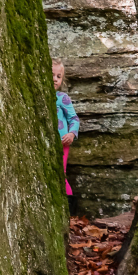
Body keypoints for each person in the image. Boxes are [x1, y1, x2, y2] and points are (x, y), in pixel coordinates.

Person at [52, 58, 80, 213]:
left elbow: (73, 118)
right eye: (52, 74)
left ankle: (69, 209)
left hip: (62, 143)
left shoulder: (62, 97)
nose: (55, 79)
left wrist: (71, 133)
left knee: (60, 173)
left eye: (59, 76)